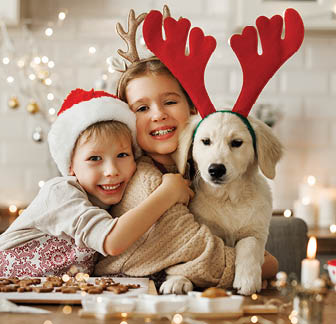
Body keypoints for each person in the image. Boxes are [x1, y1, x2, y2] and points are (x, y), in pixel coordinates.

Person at [93, 56, 279, 294]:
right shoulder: (146, 182)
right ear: (128, 120)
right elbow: (201, 253)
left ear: (192, 109)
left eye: (169, 102)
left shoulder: (194, 174)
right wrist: (266, 265)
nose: (158, 114)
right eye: (142, 108)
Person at [0, 89, 193, 277]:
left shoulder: (113, 204)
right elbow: (112, 241)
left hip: (47, 295)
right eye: (94, 159)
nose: (111, 171)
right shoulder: (60, 193)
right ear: (71, 167)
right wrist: (168, 193)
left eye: (122, 155)